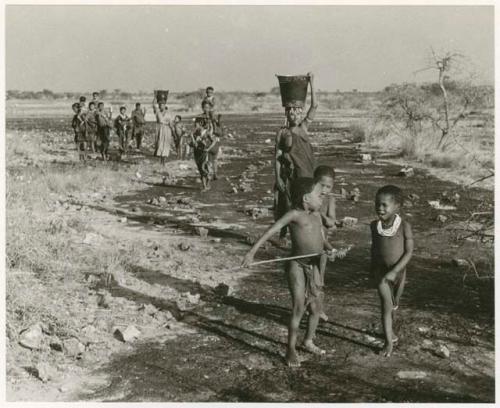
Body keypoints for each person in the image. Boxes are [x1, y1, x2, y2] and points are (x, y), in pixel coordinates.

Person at [242, 177, 337, 367]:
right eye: (319, 195)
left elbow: (322, 239)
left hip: (315, 265)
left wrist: (331, 249)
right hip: (296, 265)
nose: (322, 198)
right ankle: (291, 349)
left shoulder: (317, 216)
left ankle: (308, 340)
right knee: (299, 307)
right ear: (306, 199)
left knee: (316, 308)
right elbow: (270, 231)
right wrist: (251, 253)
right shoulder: (294, 215)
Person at [274, 72, 318, 244]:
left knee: (308, 206)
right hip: (291, 177)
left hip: (307, 174)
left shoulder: (304, 128)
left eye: (296, 110)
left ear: (301, 114)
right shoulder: (282, 133)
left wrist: (312, 82)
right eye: (289, 110)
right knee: (289, 206)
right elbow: (277, 157)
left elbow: (315, 106)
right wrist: (278, 178)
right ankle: (287, 237)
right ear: (286, 112)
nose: (293, 112)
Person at [370, 185, 414, 357]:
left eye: (384, 205)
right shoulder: (374, 226)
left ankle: (391, 331)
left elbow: (409, 252)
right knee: (386, 307)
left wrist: (396, 271)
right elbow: (374, 248)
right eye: (377, 204)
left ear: (397, 206)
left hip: (399, 274)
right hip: (381, 273)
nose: (379, 208)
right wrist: (372, 269)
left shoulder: (404, 226)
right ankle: (388, 342)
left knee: (394, 304)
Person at [313, 165, 336, 322]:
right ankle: (308, 306)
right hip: (307, 244)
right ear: (314, 183)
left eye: (329, 186)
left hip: (323, 245)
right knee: (306, 276)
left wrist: (322, 216)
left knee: (320, 278)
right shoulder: (308, 197)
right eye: (322, 185)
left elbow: (332, 222)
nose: (325, 190)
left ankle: (318, 309)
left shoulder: (329, 200)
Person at [189, 117, 212, 191]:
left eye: (195, 123)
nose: (194, 124)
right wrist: (192, 137)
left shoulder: (206, 132)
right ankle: (205, 186)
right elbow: (194, 145)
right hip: (197, 153)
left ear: (200, 123)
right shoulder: (195, 133)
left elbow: (213, 141)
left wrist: (208, 148)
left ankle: (208, 180)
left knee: (203, 168)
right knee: (200, 169)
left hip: (204, 152)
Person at [152, 96, 173, 165]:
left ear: (165, 105)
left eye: (163, 105)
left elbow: (171, 123)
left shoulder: (168, 113)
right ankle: (160, 160)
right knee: (160, 143)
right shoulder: (157, 112)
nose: (161, 106)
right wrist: (155, 98)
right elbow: (153, 105)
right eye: (160, 105)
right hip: (159, 129)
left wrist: (173, 132)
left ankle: (164, 160)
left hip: (167, 129)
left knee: (166, 144)